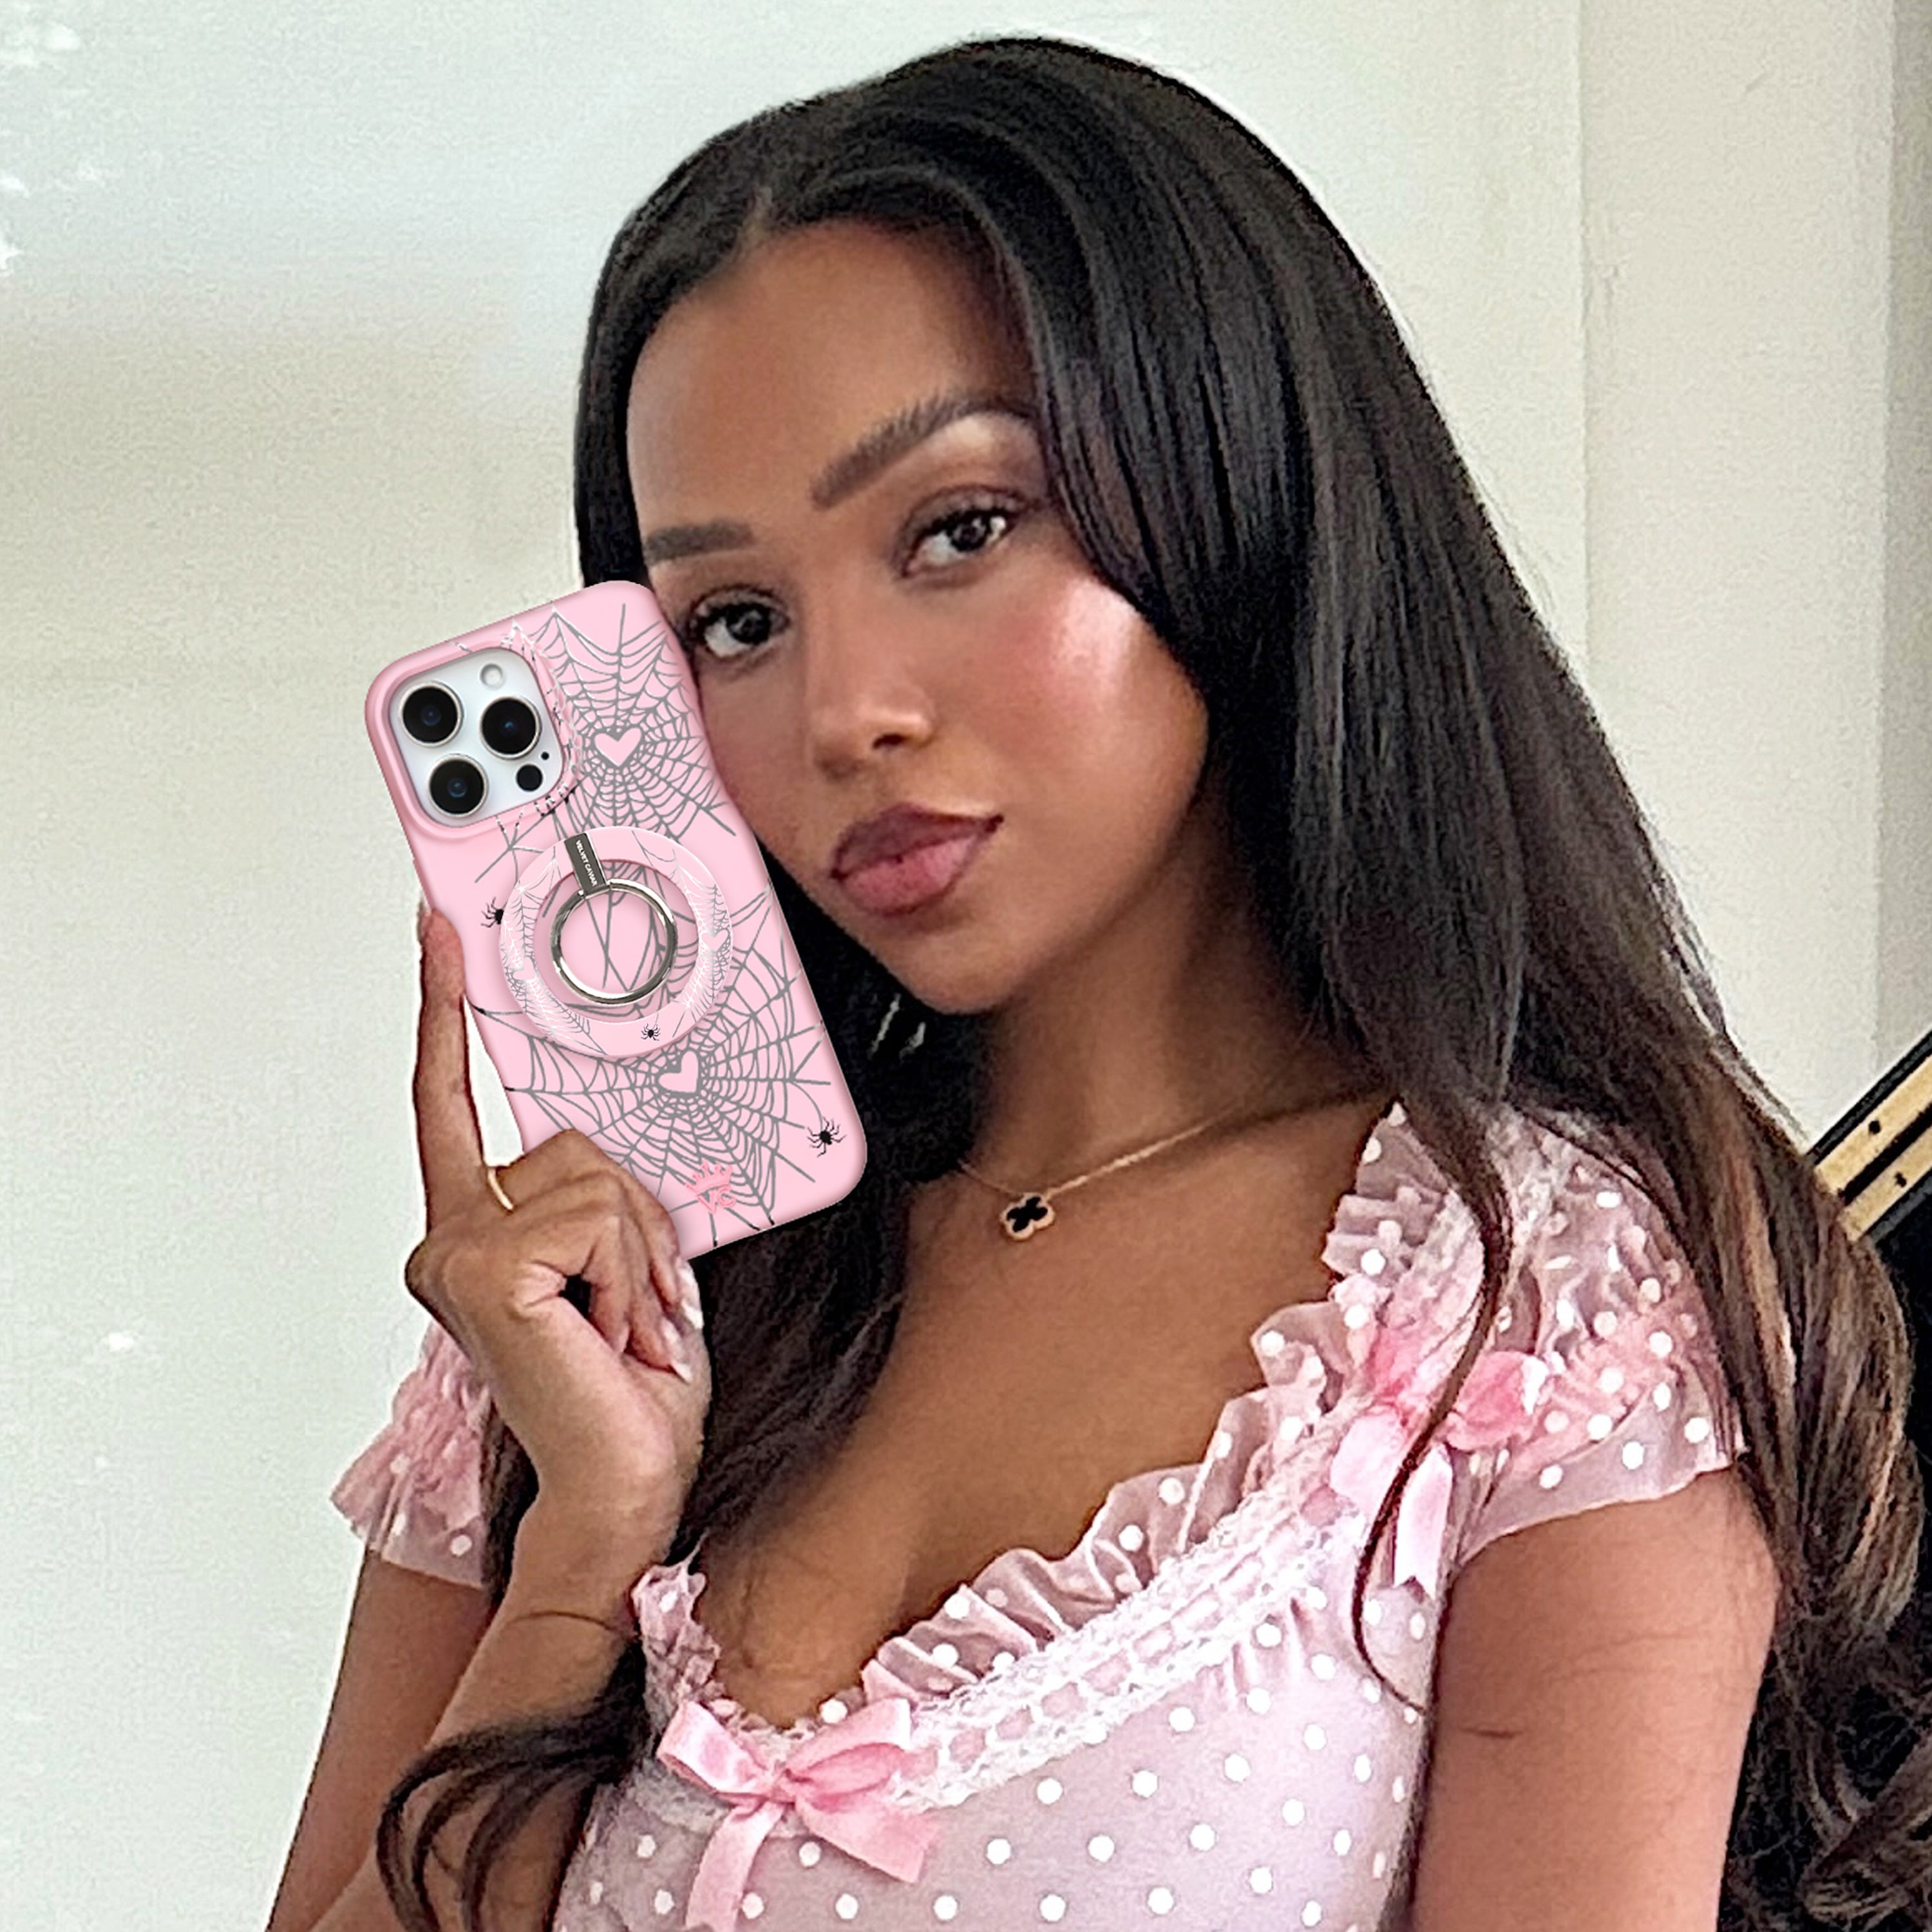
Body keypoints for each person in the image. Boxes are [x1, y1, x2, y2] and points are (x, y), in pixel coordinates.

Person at [267, 33, 1932, 1932]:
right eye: (734, 620)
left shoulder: (1538, 1299)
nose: (845, 713)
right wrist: (581, 1558)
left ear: (1236, 494)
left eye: (960, 530)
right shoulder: (598, 1312)